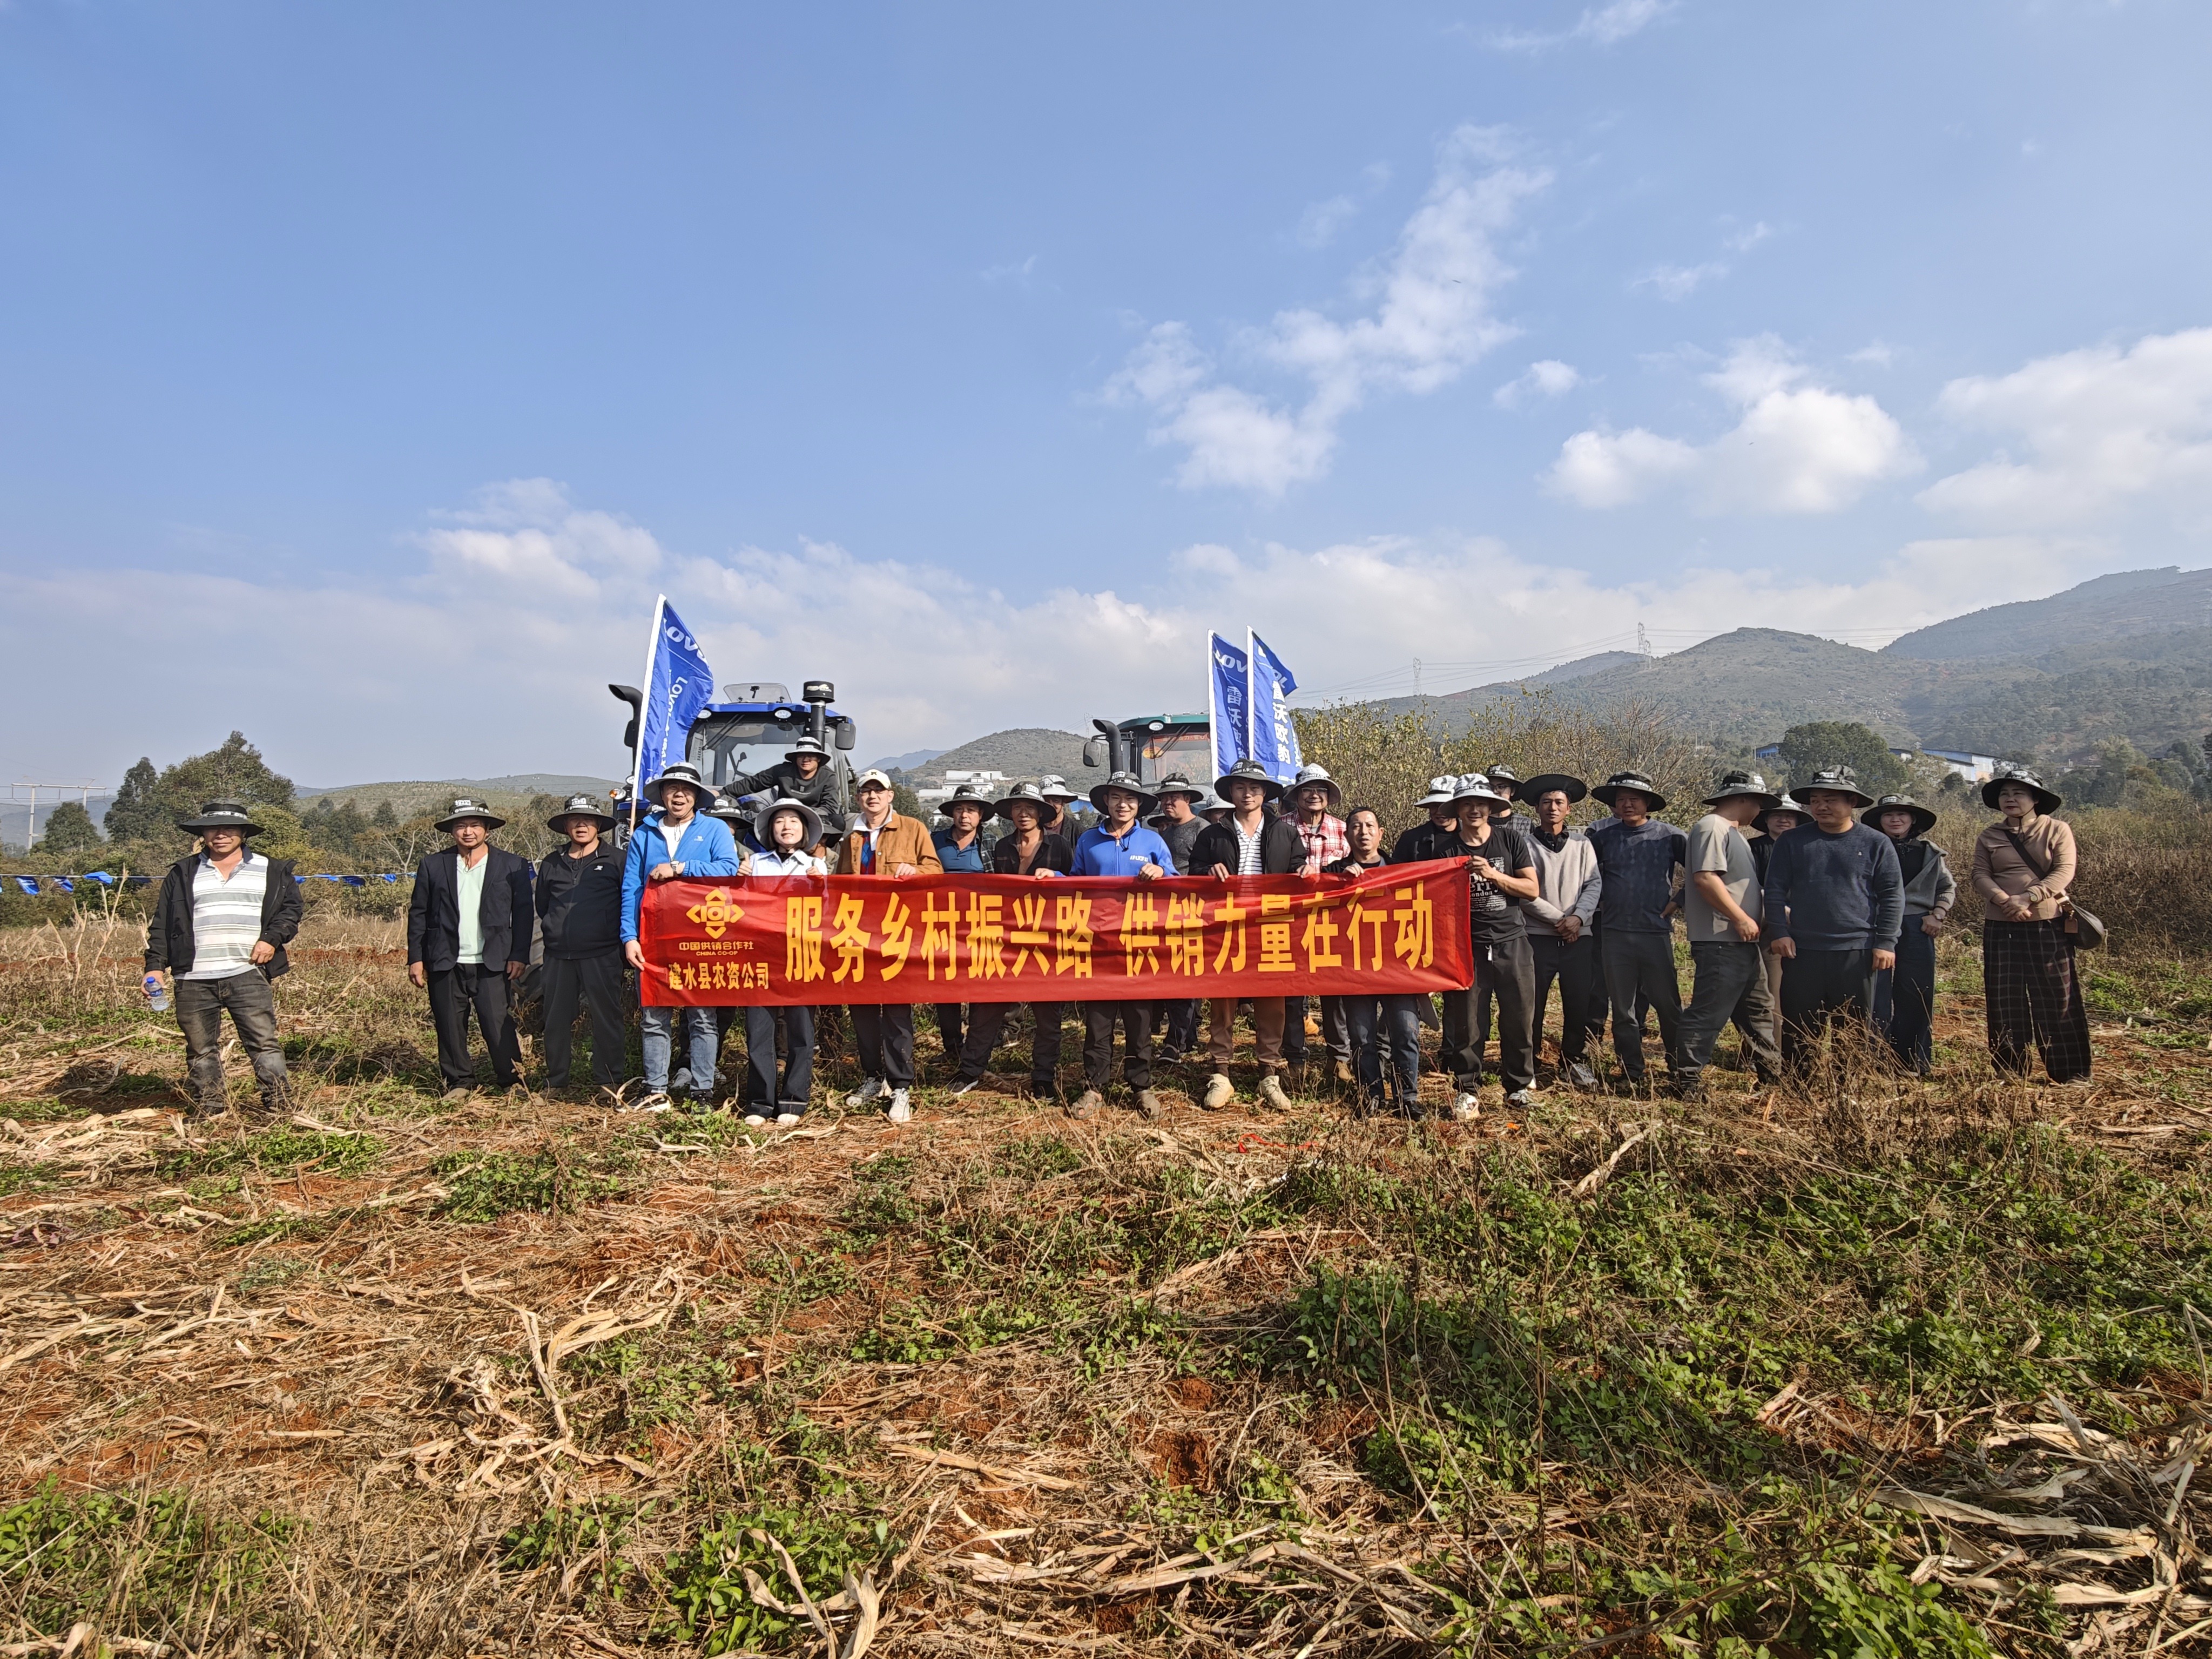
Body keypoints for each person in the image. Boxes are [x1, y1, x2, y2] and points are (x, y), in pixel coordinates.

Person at [145, 800, 302, 1120]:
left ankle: (280, 1105)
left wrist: (271, 939)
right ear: (203, 834)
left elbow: (291, 912)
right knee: (200, 1048)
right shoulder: (182, 873)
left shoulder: (272, 870)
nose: (220, 835)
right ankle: (211, 1108)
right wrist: (155, 968)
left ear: (243, 833)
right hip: (192, 977)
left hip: (248, 972)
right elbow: (162, 924)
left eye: (229, 829)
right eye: (212, 829)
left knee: (263, 1042)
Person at [1761, 767, 1904, 1073]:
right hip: (1802, 950)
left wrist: (1886, 942)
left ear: (1852, 802)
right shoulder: (1793, 841)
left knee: (1852, 1030)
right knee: (1800, 1029)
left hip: (1857, 950)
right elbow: (1774, 890)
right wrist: (1779, 932)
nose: (1821, 806)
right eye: (1815, 800)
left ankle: (1846, 1089)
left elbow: (1892, 895)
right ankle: (1799, 1087)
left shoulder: (1876, 842)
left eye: (1830, 800)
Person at [621, 763, 741, 1111]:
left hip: (701, 936)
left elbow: (728, 869)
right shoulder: (645, 833)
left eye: (686, 790)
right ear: (662, 794)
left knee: (702, 1016)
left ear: (696, 797)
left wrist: (680, 868)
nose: (679, 795)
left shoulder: (714, 829)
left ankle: (702, 1092)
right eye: (672, 788)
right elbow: (631, 887)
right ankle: (655, 1090)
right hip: (654, 936)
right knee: (654, 1015)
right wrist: (629, 936)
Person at [946, 782, 1074, 1099]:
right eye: (1018, 808)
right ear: (1011, 813)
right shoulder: (1002, 846)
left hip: (1047, 938)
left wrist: (1056, 878)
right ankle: (970, 1070)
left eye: (1030, 808)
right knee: (987, 1006)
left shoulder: (1059, 845)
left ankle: (1043, 1077)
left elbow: (1077, 885)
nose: (1023, 813)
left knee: (1048, 1013)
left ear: (1041, 813)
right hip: (1004, 938)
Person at [1193, 758, 1308, 1112]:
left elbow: (1297, 866)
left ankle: (1269, 1073)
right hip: (1225, 925)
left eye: (1255, 788)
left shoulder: (1285, 832)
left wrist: (1303, 872)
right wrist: (1207, 871)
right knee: (1223, 999)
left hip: (1271, 924)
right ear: (1231, 792)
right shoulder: (1212, 834)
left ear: (1265, 793)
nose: (1247, 794)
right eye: (1241, 787)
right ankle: (1221, 1072)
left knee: (1272, 1001)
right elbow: (1192, 873)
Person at [407, 797, 534, 1102]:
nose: (468, 832)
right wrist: (416, 958)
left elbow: (523, 914)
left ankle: (512, 1081)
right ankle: (459, 1082)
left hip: (493, 959)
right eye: (461, 826)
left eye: (475, 825)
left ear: (487, 830)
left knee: (498, 1022)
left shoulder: (512, 865)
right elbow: (419, 913)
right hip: (444, 958)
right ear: (452, 831)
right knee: (449, 1024)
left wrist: (519, 954)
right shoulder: (433, 865)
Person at [1971, 766, 2090, 1083]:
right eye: (2004, 794)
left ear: (2035, 799)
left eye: (2018, 793)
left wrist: (2028, 897)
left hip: (2047, 922)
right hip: (2000, 924)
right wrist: (2003, 900)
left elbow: (2064, 871)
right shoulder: (1989, 835)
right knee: (2004, 997)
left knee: (2057, 995)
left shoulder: (2056, 829)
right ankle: (2010, 1069)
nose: (2010, 799)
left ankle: (2071, 1073)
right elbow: (1979, 874)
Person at [837, 767, 943, 1123]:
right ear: (858, 798)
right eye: (866, 791)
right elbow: (840, 883)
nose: (872, 797)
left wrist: (915, 872)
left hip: (898, 932)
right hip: (859, 932)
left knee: (897, 1011)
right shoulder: (851, 837)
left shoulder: (912, 828)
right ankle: (872, 1076)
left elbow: (935, 871)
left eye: (878, 791)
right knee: (863, 1010)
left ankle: (900, 1085)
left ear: (890, 796)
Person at [1069, 771, 1173, 1120]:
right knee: (1098, 1020)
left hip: (1140, 943)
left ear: (1139, 805)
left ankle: (1141, 1086)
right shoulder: (1088, 840)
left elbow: (1177, 882)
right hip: (1099, 943)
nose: (1123, 804)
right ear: (1106, 802)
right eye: (1116, 798)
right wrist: (1051, 878)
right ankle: (1094, 1087)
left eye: (1129, 799)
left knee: (1139, 1019)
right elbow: (1074, 883)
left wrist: (1161, 873)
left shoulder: (1153, 841)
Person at [1675, 772, 1784, 1099]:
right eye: (1759, 803)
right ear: (1745, 799)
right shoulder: (1712, 827)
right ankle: (1687, 1081)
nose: (1760, 811)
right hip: (1721, 940)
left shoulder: (1735, 834)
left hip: (1743, 941)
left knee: (1759, 1010)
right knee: (1710, 1011)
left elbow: (1739, 887)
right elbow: (1706, 879)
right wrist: (1740, 918)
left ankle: (1772, 1078)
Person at [1437, 775, 1541, 1117]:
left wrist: (1493, 875)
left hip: (1512, 941)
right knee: (1469, 1022)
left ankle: (1519, 1087)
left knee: (1519, 1016)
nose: (1474, 810)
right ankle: (1467, 1090)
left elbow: (1531, 890)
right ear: (1457, 810)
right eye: (1467, 804)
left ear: (1491, 808)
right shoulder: (1446, 850)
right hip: (1468, 947)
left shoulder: (1510, 840)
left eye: (1481, 804)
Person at [1587, 772, 1688, 1090]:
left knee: (1668, 1005)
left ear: (1648, 804)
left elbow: (1702, 872)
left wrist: (1678, 901)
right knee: (1623, 1009)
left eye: (1634, 799)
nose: (1627, 805)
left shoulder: (1669, 836)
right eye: (1621, 800)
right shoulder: (1603, 838)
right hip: (1615, 933)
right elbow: (1585, 875)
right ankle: (1631, 1071)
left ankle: (1680, 1067)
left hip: (1654, 932)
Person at [737, 797, 829, 1125]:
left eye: (793, 821)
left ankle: (793, 1101)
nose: (786, 826)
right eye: (779, 821)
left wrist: (820, 887)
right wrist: (739, 880)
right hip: (761, 954)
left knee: (800, 1030)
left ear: (804, 830)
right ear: (770, 830)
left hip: (801, 954)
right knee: (758, 1030)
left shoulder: (815, 866)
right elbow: (740, 908)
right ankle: (760, 1103)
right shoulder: (755, 863)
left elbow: (829, 912)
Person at [1328, 807, 1422, 1116]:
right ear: (1347, 835)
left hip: (1397, 968)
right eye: (1356, 827)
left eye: (1370, 826)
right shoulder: (1334, 871)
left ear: (1381, 834)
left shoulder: (1401, 871)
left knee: (1405, 1033)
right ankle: (1371, 1095)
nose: (1364, 832)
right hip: (1355, 968)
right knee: (1362, 1037)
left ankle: (1408, 1097)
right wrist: (1341, 882)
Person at [536, 794, 629, 1095]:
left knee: (607, 1018)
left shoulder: (617, 860)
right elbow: (543, 906)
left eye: (588, 820)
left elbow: (629, 903)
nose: (581, 825)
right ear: (565, 826)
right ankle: (557, 1080)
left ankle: (609, 1082)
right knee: (555, 1020)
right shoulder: (552, 862)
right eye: (575, 820)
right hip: (558, 956)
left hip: (602, 954)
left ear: (598, 826)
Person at [1517, 773, 1603, 1091]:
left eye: (1559, 803)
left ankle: (1573, 1061)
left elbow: (1594, 883)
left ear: (1569, 809)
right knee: (1532, 1003)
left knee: (1578, 1001)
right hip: (1538, 936)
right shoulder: (1524, 845)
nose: (1552, 808)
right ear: (1536, 808)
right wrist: (1560, 920)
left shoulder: (1583, 844)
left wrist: (1578, 918)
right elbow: (1523, 892)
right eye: (1546, 803)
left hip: (1579, 937)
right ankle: (1529, 1063)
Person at [1867, 794, 1953, 1076]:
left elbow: (1946, 887)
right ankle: (1874, 1060)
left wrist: (1938, 914)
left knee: (1916, 992)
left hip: (1917, 926)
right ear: (1879, 821)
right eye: (1888, 815)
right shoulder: (1869, 847)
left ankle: (1912, 1061)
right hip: (1875, 925)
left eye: (1902, 814)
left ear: (1913, 819)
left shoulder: (1929, 852)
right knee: (1874, 993)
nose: (1896, 820)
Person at [1280, 764, 1353, 1081]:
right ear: (1297, 795)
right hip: (1291, 919)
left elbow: (1354, 867)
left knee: (1334, 990)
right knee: (1292, 991)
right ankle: (1295, 1061)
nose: (1314, 795)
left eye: (1320, 790)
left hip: (1332, 920)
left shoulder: (1343, 828)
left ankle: (1339, 1059)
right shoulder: (1279, 827)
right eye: (1307, 790)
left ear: (1328, 796)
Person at [929, 782, 996, 1078]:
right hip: (941, 924)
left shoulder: (991, 843)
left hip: (981, 926)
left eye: (971, 810)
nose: (965, 815)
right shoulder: (934, 841)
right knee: (945, 988)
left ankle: (976, 1048)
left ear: (980, 816)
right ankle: (952, 1046)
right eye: (959, 809)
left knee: (980, 985)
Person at [1151, 773, 1209, 1063]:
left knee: (1184, 977)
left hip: (1193, 912)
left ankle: (1177, 1040)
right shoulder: (1163, 835)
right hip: (1167, 912)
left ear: (1188, 799)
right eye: (1164, 798)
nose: (1168, 803)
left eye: (1173, 797)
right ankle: (1186, 1037)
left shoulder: (1204, 830)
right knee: (1173, 976)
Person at [1752, 793, 1806, 1011]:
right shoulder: (1753, 847)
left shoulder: (1805, 847)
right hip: (1766, 921)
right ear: (1766, 820)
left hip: (1805, 921)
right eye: (1777, 816)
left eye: (1789, 816)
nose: (1783, 820)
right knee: (1772, 982)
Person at [725, 735, 840, 835]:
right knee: (751, 824)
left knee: (838, 821)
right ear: (795, 758)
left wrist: (803, 816)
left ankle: (825, 852)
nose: (805, 760)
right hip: (783, 816)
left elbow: (830, 807)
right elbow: (753, 783)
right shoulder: (782, 771)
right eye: (801, 756)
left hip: (814, 820)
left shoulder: (829, 776)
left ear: (819, 758)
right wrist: (723, 792)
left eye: (811, 756)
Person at [1394, 778, 1460, 864]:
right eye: (1435, 806)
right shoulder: (1410, 840)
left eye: (1445, 806)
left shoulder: (1473, 838)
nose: (1439, 812)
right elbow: (1397, 870)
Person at [1038, 776, 1083, 852]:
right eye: (1045, 800)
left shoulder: (1077, 833)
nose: (1050, 804)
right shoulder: (1030, 829)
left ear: (1064, 802)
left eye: (1055, 800)